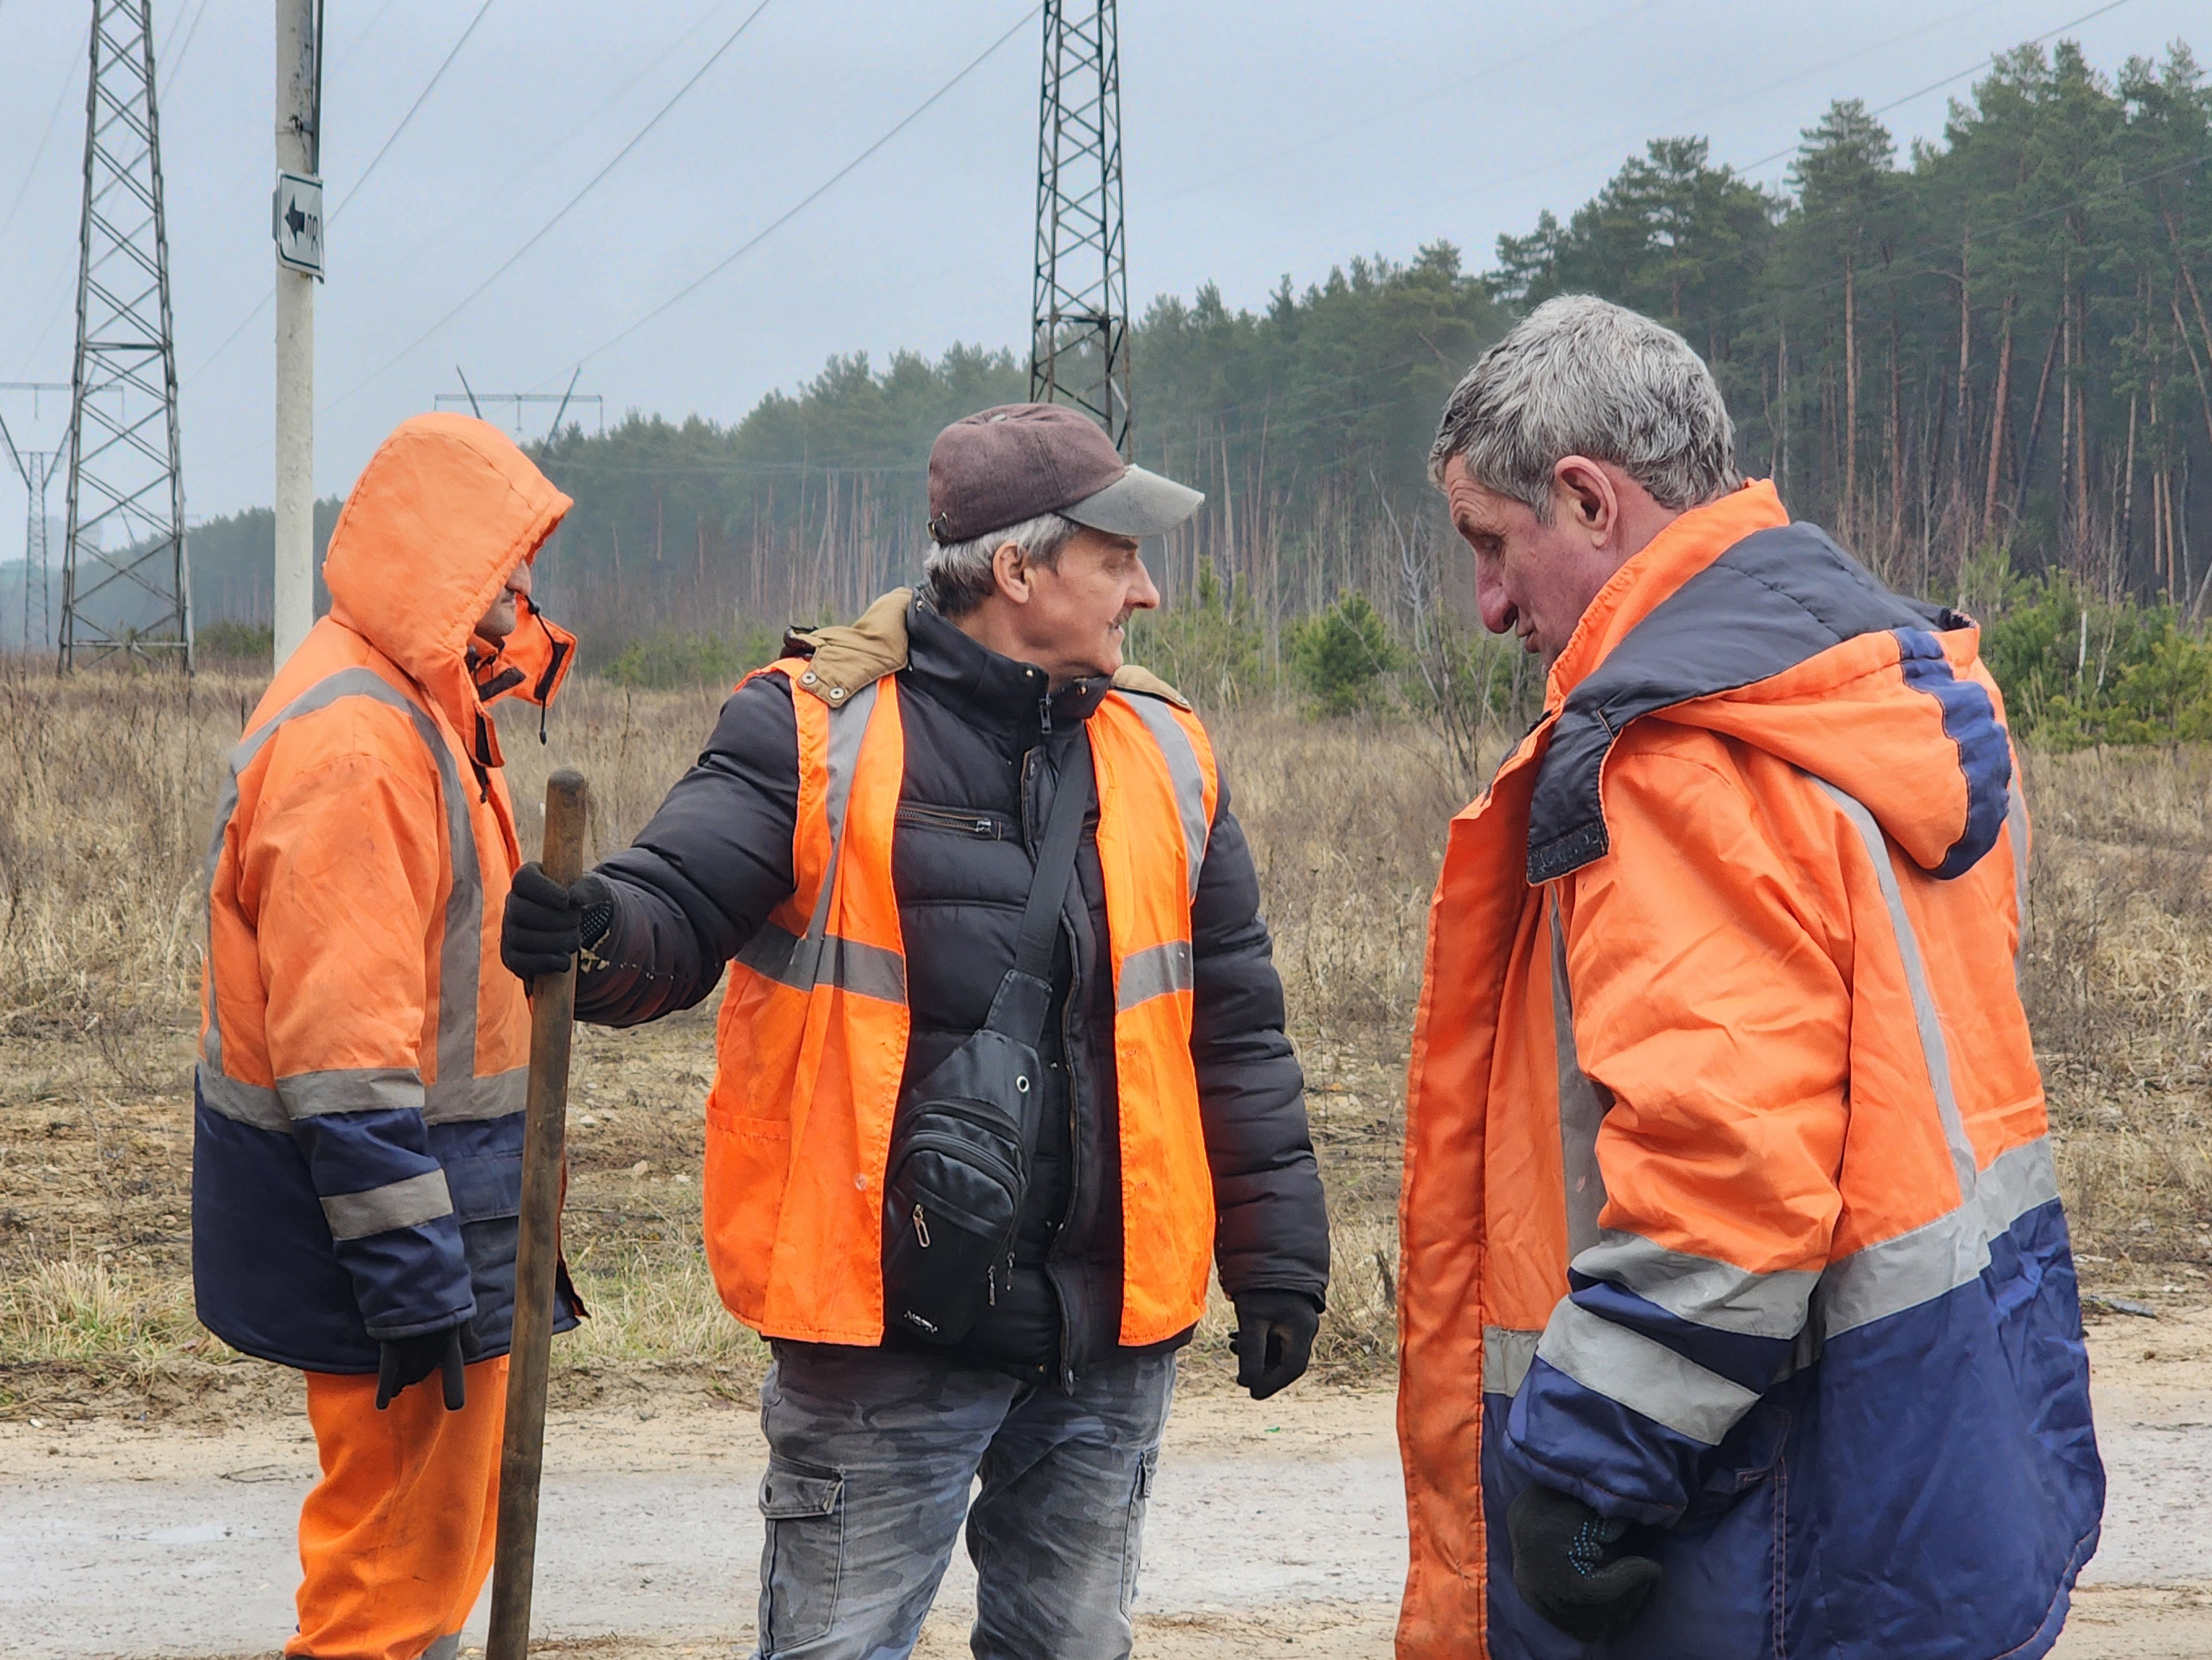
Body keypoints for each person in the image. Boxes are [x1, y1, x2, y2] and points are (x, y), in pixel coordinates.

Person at [500, 402, 1331, 1660]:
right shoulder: (812, 726)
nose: (1146, 592)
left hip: (1104, 1336)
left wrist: (1277, 1257)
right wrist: (597, 930)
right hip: (882, 1333)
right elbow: (676, 903)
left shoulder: (1167, 747)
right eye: (1117, 559)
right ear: (1016, 570)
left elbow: (1234, 1022)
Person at [1396, 296, 2103, 1659]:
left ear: (1588, 499)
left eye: (1492, 544)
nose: (1489, 605)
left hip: (1752, 1516)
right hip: (1934, 1444)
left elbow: (1725, 1178)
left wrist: (1587, 1472)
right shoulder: (1869, 698)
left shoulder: (1676, 756)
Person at [192, 413, 583, 1660]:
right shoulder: (360, 740)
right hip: (400, 1249)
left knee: (416, 1571)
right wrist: (414, 1278)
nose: (523, 588)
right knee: (388, 1591)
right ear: (436, 558)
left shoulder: (421, 698)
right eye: (502, 559)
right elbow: (344, 1060)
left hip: (436, 1223)